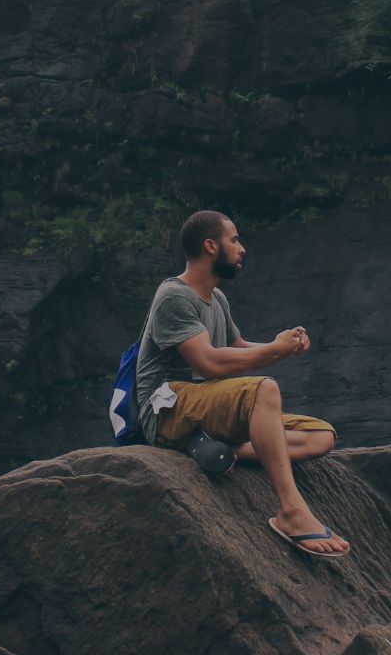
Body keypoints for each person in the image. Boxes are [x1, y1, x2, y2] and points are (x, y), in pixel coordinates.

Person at [133, 210, 350, 557]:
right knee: (264, 389)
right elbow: (209, 361)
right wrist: (273, 353)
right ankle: (292, 512)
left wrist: (281, 347)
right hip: (168, 406)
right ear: (210, 245)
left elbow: (238, 348)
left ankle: (216, 448)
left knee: (321, 435)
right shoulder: (174, 296)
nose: (241, 248)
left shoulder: (216, 299)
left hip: (203, 404)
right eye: (234, 239)